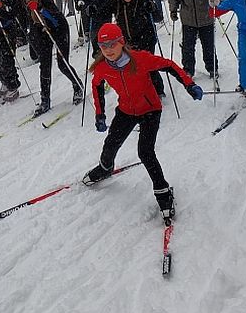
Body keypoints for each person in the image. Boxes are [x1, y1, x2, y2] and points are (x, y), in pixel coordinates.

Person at [82, 23, 203, 220]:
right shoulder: (102, 67)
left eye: (112, 44)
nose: (109, 50)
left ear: (121, 42)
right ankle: (105, 169)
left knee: (145, 152)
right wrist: (99, 114)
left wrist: (189, 85)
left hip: (150, 110)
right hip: (126, 110)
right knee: (110, 145)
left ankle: (163, 192)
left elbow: (169, 65)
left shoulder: (140, 59)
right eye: (104, 46)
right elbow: (96, 88)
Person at [17, 0, 84, 114]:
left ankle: (78, 86)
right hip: (41, 30)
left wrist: (41, 9)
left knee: (62, 64)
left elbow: (55, 17)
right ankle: (45, 100)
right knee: (44, 65)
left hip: (58, 29)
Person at [168, 0, 224, 78]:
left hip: (206, 19)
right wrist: (173, 10)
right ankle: (188, 70)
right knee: (188, 47)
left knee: (208, 45)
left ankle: (212, 68)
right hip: (188, 20)